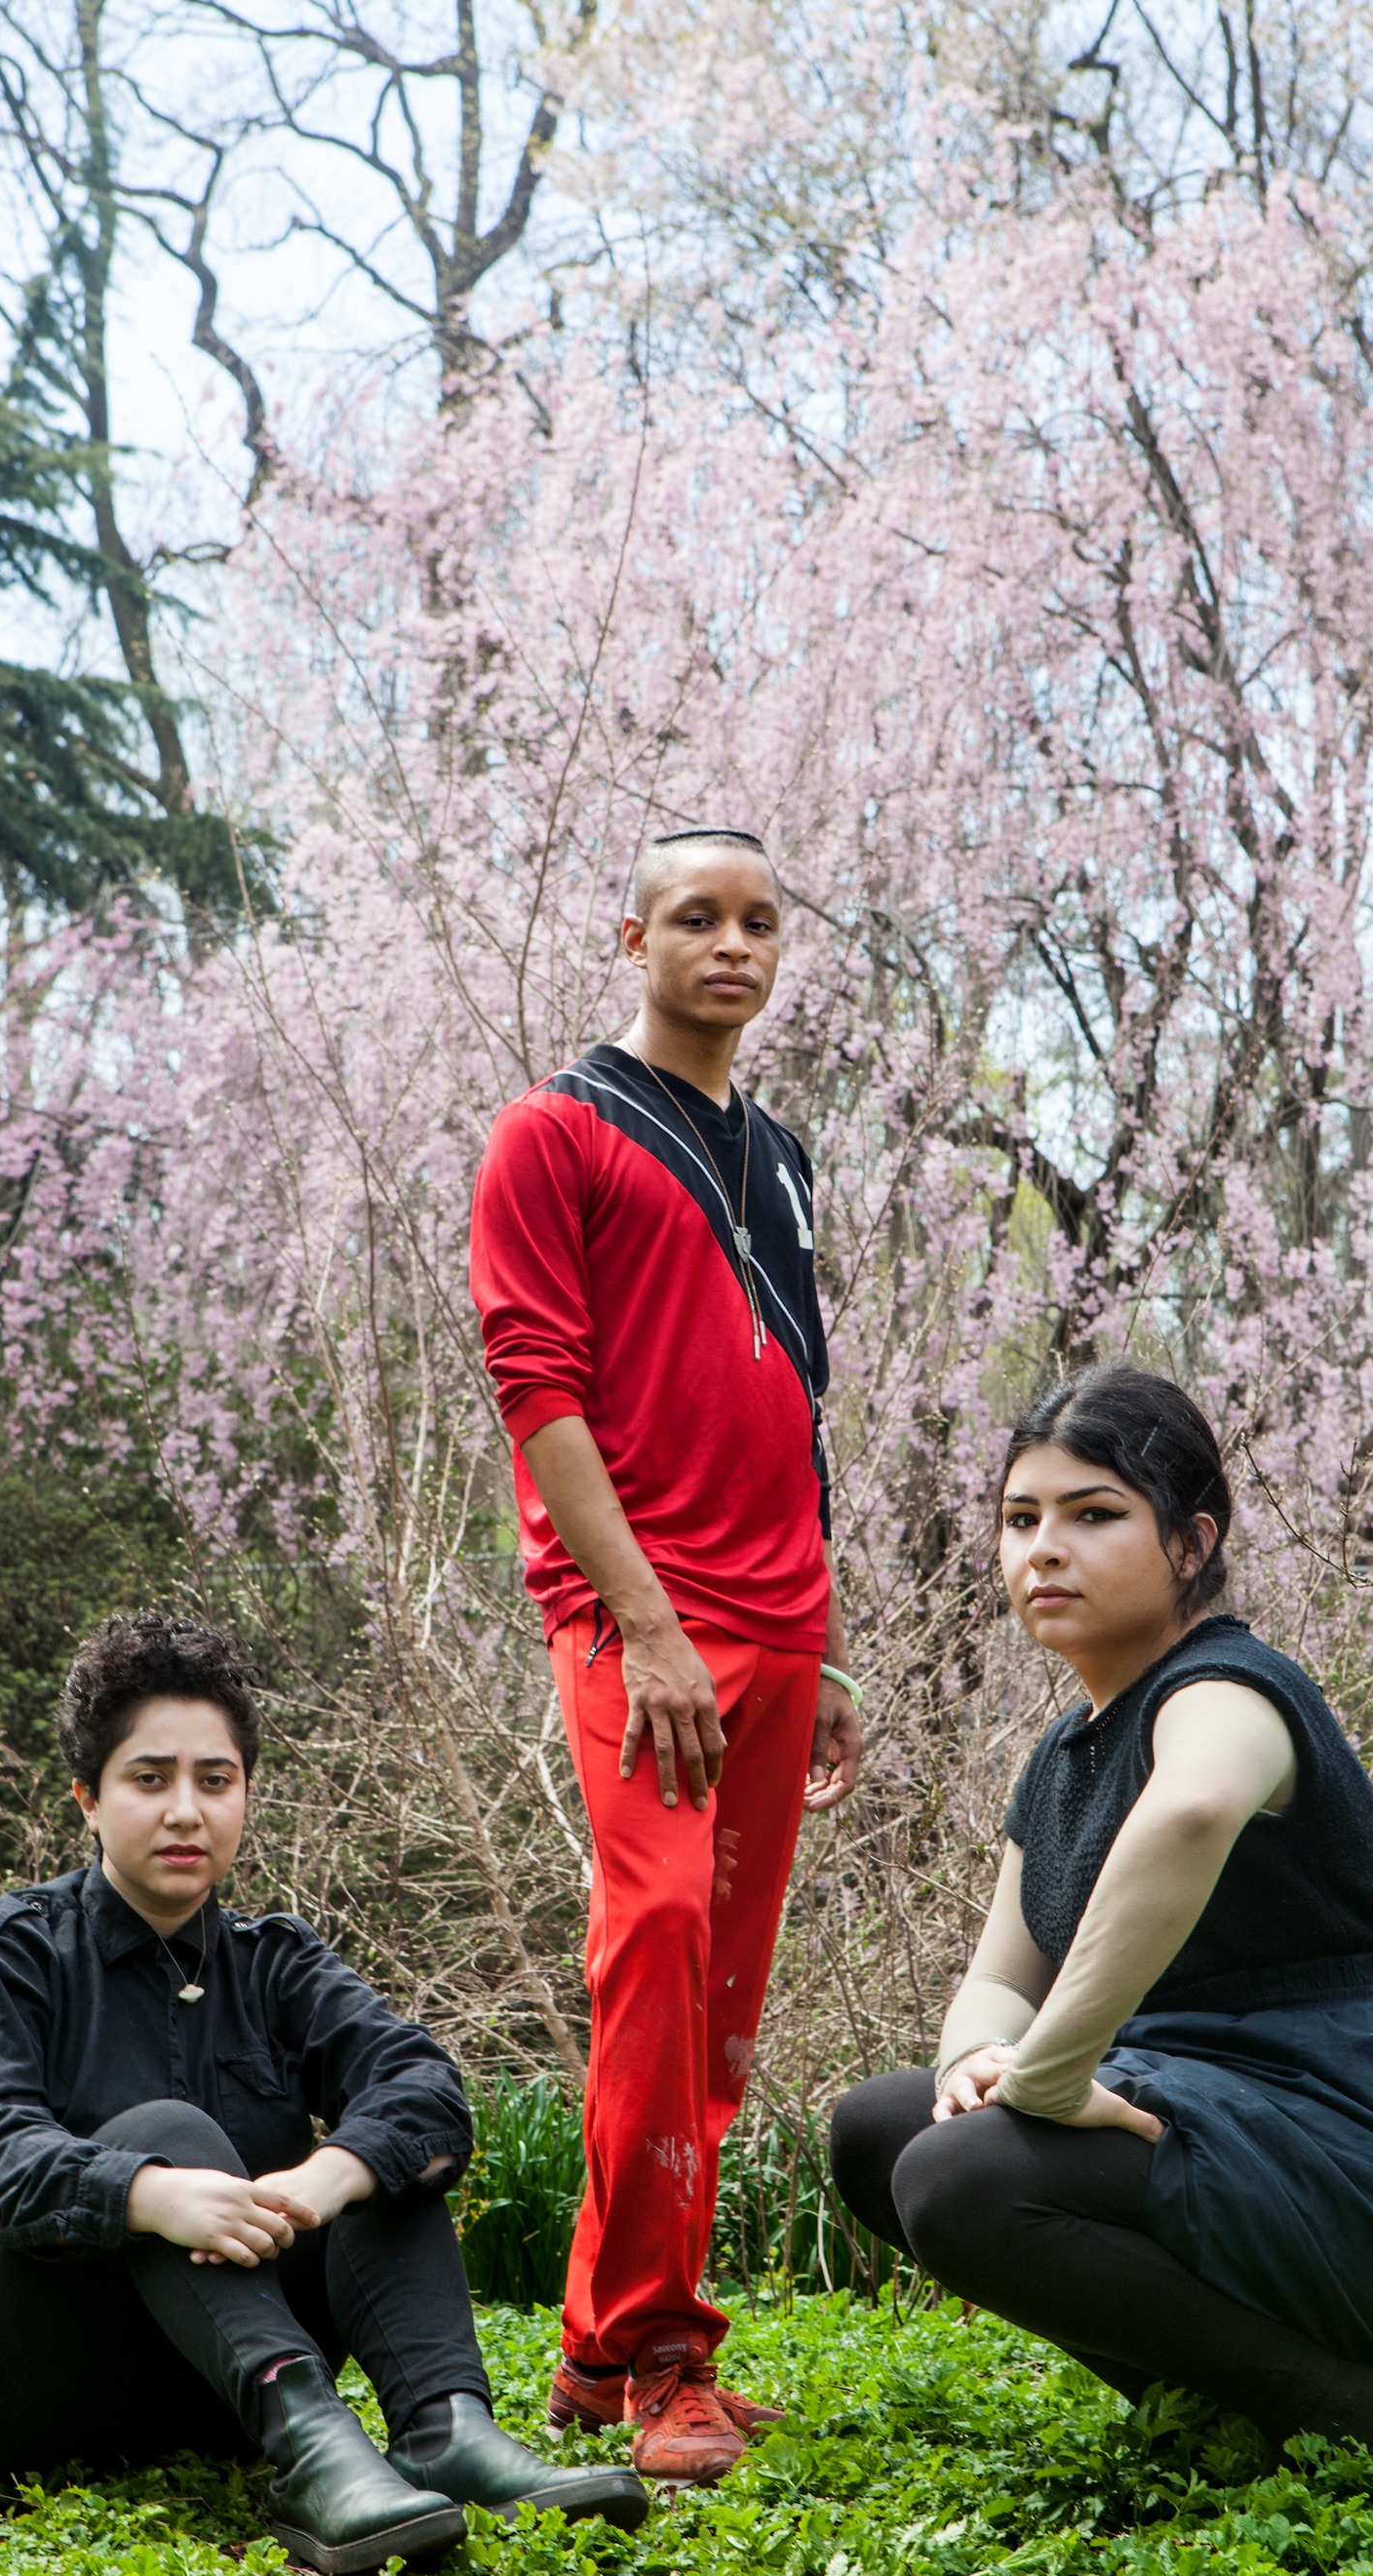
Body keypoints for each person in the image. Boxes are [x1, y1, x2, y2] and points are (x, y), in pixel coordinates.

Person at [0, 1613, 647, 2572]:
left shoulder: (276, 1962)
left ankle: (445, 2434)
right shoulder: (4, 1953)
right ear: (87, 1799)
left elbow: (423, 2088)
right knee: (168, 2134)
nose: (185, 1811)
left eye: (213, 1781)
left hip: (194, 2386)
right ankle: (312, 2447)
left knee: (388, 2154)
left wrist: (334, 2173)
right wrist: (150, 2195)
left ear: (244, 1796)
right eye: (149, 1779)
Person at [829, 1367, 1373, 2447]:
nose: (1042, 1548)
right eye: (1020, 1519)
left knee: (960, 2179)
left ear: (1190, 1544)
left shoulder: (1227, 1689)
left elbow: (1190, 1808)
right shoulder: (1061, 1758)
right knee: (884, 2130)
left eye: (1093, 1514)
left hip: (1369, 2167)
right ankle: (1210, 2399)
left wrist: (1049, 2072)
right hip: (1197, 2122)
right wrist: (975, 2063)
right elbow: (1000, 1976)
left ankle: (1338, 2412)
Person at [469, 827, 865, 2482]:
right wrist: (647, 1627)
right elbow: (536, 1388)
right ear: (631, 936)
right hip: (644, 1614)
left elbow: (796, 1402)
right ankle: (652, 2361)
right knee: (654, 1941)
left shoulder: (776, 1151)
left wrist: (825, 1638)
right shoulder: (552, 1134)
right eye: (696, 917)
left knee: (719, 1994)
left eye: (759, 922)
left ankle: (607, 2351)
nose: (731, 945)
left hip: (780, 1619)